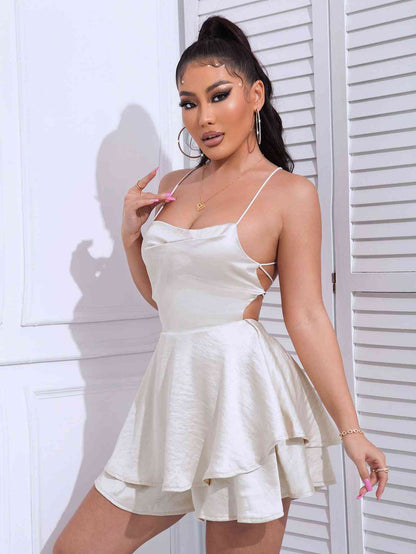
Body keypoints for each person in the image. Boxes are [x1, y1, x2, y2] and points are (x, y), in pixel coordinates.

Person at [53, 14, 388, 554]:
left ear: (255, 96)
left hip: (246, 401)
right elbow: (168, 302)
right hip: (170, 396)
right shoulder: (171, 186)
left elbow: (306, 316)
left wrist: (352, 432)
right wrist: (130, 238)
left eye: (218, 96)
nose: (203, 118)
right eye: (189, 103)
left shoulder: (289, 194)